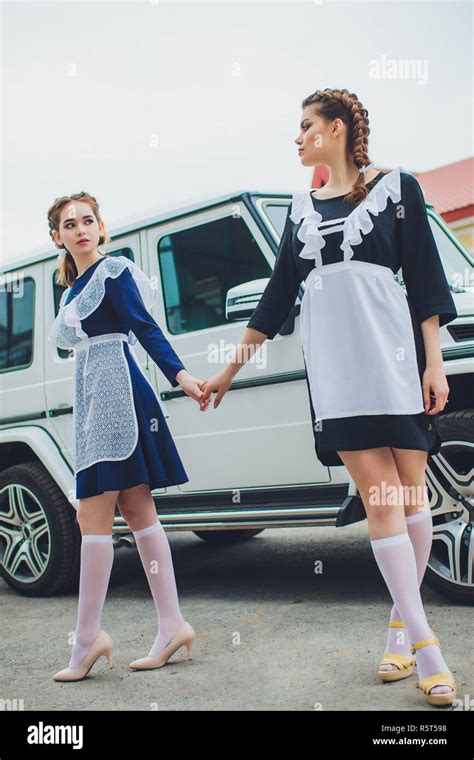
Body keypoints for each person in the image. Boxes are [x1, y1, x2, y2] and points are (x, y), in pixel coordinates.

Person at [199, 88, 458, 707]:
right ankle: (429, 650)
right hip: (337, 375)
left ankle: (400, 627)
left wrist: (435, 365)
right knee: (382, 500)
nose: (297, 136)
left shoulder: (398, 189)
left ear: (336, 130)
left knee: (411, 496)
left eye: (306, 125)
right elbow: (274, 299)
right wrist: (227, 373)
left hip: (394, 362)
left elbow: (425, 279)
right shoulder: (299, 209)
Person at [47, 191, 206, 680]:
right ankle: (172, 624)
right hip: (95, 399)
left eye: (88, 220)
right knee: (137, 512)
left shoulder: (114, 272)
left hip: (121, 398)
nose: (80, 229)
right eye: (70, 224)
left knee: (92, 515)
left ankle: (88, 639)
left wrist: (182, 378)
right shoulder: (72, 291)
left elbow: (146, 327)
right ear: (57, 237)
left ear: (101, 226)